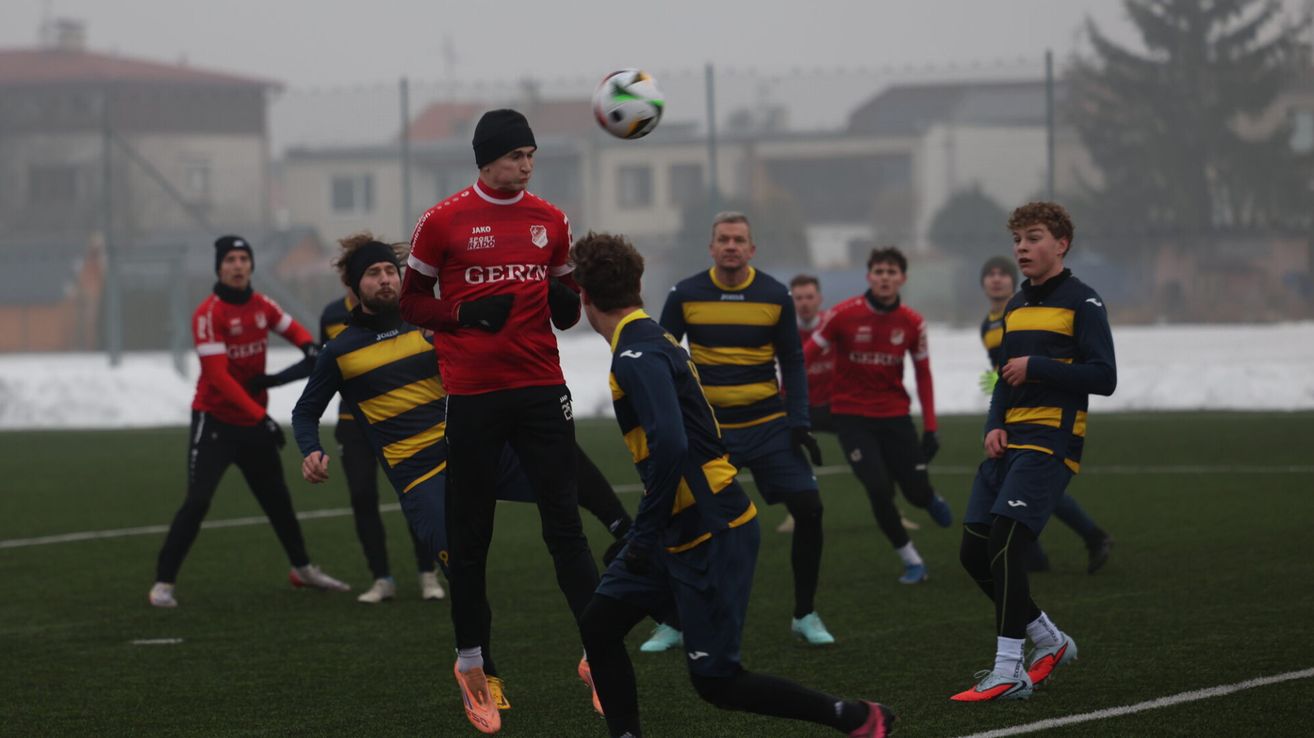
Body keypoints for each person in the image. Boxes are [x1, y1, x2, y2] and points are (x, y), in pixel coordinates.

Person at [571, 231, 896, 738]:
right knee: (599, 625)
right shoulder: (647, 339)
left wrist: (644, 534)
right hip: (682, 526)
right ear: (638, 284)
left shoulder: (638, 353)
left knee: (717, 682)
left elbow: (673, 446)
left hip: (711, 529)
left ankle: (853, 716)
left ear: (583, 296)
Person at [399, 109, 600, 734]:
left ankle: (601, 655)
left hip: (542, 388)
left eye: (532, 155)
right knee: (472, 538)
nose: (527, 165)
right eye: (517, 155)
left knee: (565, 527)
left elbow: (567, 301)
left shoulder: (551, 220)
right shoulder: (442, 221)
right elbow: (411, 303)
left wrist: (570, 302)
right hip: (474, 395)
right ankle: (473, 668)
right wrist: (462, 314)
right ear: (487, 160)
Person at [952, 202, 1116, 702]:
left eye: (1033, 237)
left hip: (1049, 443)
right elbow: (1005, 377)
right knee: (973, 553)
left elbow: (1104, 378)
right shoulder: (1017, 307)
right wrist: (992, 426)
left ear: (1061, 243)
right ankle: (1048, 639)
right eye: (1018, 239)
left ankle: (1009, 671)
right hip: (1009, 444)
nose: (1022, 247)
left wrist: (1039, 367)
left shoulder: (1084, 303)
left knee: (1006, 544)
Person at [654, 211, 834, 648]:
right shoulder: (684, 294)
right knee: (679, 519)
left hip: (768, 426)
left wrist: (800, 421)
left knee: (809, 508)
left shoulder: (775, 295)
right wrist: (670, 419)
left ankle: (805, 613)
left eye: (739, 240)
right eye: (723, 239)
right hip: (710, 433)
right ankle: (674, 620)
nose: (731, 246)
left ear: (752, 249)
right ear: (711, 247)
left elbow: (791, 360)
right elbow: (662, 358)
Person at [148, 235, 349, 608]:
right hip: (216, 421)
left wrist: (309, 349)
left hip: (254, 424)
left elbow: (298, 334)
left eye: (244, 258)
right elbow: (220, 379)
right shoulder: (208, 314)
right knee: (198, 501)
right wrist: (262, 417)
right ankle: (163, 582)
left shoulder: (262, 305)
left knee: (277, 499)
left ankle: (302, 569)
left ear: (252, 266)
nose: (238, 265)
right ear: (219, 268)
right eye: (230, 260)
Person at [255, 283, 444, 604]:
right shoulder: (332, 316)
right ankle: (381, 579)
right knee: (362, 496)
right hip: (352, 423)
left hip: (402, 424)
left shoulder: (408, 313)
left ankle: (428, 573)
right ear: (349, 279)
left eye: (387, 270)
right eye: (370, 272)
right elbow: (320, 363)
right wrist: (275, 382)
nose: (381, 279)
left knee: (418, 495)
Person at [802, 248, 954, 585]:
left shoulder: (913, 323)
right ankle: (912, 560)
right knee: (878, 487)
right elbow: (805, 357)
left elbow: (924, 375)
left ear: (903, 278)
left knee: (914, 492)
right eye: (879, 271)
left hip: (895, 417)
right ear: (869, 276)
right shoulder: (842, 315)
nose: (885, 277)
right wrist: (789, 400)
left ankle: (929, 498)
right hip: (851, 418)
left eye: (892, 272)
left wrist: (931, 428)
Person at [979, 257, 1114, 575]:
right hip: (1013, 415)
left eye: (1002, 274)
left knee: (1028, 488)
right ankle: (1043, 555)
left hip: (1048, 420)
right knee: (1020, 488)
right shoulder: (988, 324)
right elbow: (1002, 370)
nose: (996, 280)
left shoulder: (1045, 309)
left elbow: (1099, 374)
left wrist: (1032, 372)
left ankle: (1072, 544)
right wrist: (996, 407)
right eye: (989, 275)